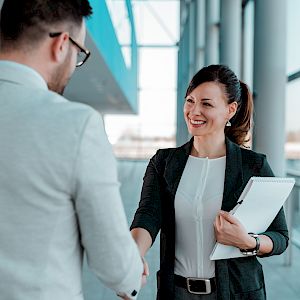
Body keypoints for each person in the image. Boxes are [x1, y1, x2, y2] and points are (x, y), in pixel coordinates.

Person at [0, 0, 143, 299]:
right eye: (79, 53)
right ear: (62, 44)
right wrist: (132, 271)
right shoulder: (76, 125)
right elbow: (114, 265)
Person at [130, 64, 289, 300]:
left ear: (230, 110)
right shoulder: (164, 162)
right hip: (176, 293)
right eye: (190, 101)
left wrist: (248, 241)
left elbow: (280, 237)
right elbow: (148, 216)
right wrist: (133, 257)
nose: (194, 111)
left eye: (207, 104)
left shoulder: (253, 166)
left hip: (236, 293)